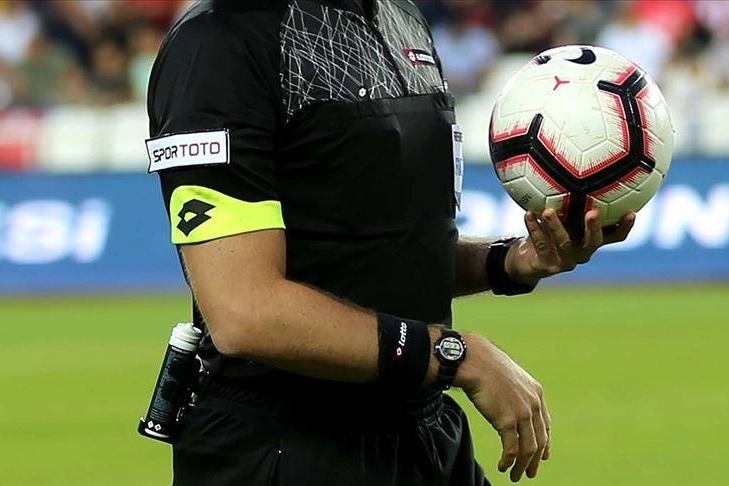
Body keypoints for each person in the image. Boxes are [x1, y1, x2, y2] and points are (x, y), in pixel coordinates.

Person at [145, 1, 636, 485]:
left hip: (422, 430)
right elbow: (245, 312)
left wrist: (510, 261)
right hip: (284, 446)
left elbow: (380, 255)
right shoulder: (218, 43)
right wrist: (455, 355)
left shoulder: (402, 17)